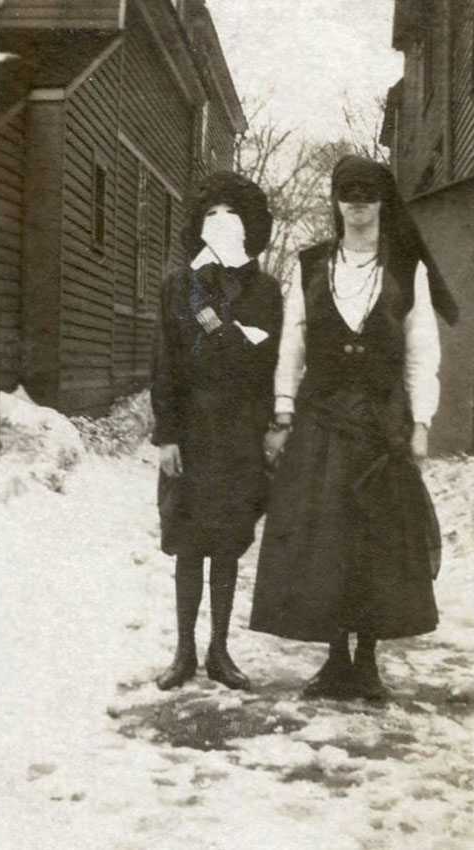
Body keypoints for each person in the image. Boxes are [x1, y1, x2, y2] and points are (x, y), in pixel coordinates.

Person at [250, 154, 458, 701]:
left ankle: (366, 662)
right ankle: (334, 658)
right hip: (321, 418)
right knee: (325, 541)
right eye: (349, 193)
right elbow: (292, 343)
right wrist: (283, 409)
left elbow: (422, 351)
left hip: (381, 424)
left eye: (368, 194)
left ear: (382, 201)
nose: (358, 203)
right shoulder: (311, 264)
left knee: (376, 542)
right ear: (337, 201)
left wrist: (420, 422)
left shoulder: (405, 266)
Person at [151, 171, 282, 692]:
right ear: (197, 224)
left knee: (227, 543)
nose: (222, 222)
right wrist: (166, 434)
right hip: (191, 429)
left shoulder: (266, 290)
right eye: (211, 213)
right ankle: (183, 651)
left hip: (240, 432)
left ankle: (219, 652)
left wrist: (271, 427)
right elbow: (165, 363)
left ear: (250, 225)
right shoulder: (179, 286)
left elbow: (269, 361)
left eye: (233, 213)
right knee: (187, 543)